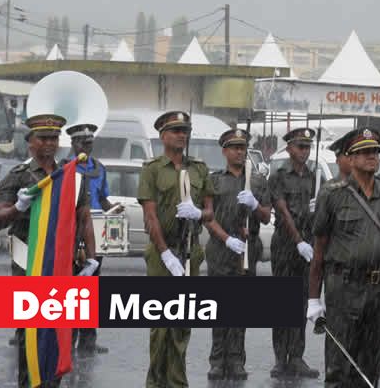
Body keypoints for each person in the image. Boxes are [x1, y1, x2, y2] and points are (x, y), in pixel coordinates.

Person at [0, 114, 98, 388]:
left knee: (61, 331)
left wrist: (93, 259)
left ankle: (52, 383)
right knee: (30, 331)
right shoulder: (17, 177)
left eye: (53, 138)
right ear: (30, 143)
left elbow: (84, 217)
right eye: (43, 138)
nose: (49, 143)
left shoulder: (71, 176)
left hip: (65, 265)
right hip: (29, 263)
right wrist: (19, 207)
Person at [308, 127, 380, 388]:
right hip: (344, 290)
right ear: (350, 159)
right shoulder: (333, 196)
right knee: (340, 368)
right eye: (363, 152)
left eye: (374, 151)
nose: (371, 156)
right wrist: (313, 299)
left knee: (369, 368)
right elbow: (319, 251)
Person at [137, 110, 212, 388]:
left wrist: (198, 213)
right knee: (160, 325)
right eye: (176, 130)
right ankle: (155, 383)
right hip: (162, 254)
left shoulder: (199, 169)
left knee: (181, 324)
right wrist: (165, 253)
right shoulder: (152, 169)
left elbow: (210, 213)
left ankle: (178, 383)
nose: (182, 135)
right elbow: (150, 215)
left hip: (190, 251)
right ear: (163, 136)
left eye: (185, 130)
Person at [204, 127, 271, 381]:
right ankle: (217, 360)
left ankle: (236, 359)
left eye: (243, 148)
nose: (239, 152)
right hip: (221, 251)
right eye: (234, 147)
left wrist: (254, 204)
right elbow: (208, 218)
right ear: (224, 151)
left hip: (247, 252)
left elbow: (265, 217)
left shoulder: (256, 181)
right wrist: (227, 238)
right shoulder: (214, 180)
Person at [267, 126, 321, 378]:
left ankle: (297, 356)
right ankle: (281, 357)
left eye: (308, 147)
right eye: (300, 146)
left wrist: (316, 210)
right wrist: (298, 240)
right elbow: (282, 210)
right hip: (286, 245)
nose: (305, 151)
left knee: (301, 302)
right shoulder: (278, 176)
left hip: (307, 247)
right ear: (289, 148)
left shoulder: (314, 177)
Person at [61, 122, 116, 356]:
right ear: (73, 144)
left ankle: (88, 339)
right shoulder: (63, 167)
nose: (87, 146)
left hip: (94, 234)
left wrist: (113, 209)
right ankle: (66, 336)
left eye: (90, 143)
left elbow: (103, 199)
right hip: (70, 233)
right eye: (83, 143)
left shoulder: (100, 168)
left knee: (91, 288)